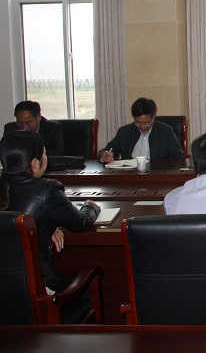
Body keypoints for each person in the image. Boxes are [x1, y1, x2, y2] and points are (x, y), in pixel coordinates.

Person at [1, 130, 100, 293]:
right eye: (44, 153)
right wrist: (90, 206)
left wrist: (45, 226)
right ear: (34, 163)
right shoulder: (47, 190)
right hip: (39, 289)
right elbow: (81, 223)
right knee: (97, 280)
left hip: (8, 290)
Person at [98, 97, 184, 162]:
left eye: (146, 123)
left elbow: (179, 157)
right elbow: (107, 150)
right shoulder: (124, 132)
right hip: (130, 175)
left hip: (157, 174)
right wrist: (104, 155)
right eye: (138, 123)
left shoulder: (166, 131)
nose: (142, 126)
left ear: (153, 117)